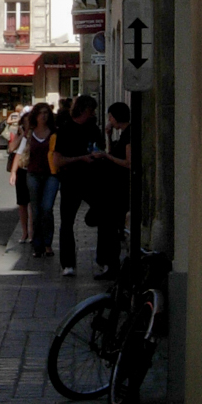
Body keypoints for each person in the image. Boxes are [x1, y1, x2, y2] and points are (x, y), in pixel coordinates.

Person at [50, 94, 106, 276]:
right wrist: (81, 158)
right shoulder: (66, 130)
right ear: (83, 110)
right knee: (67, 222)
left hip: (93, 179)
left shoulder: (94, 129)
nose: (93, 114)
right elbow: (58, 160)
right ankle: (68, 264)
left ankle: (103, 259)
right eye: (91, 110)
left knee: (103, 215)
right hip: (71, 180)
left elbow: (102, 149)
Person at [93, 101, 132, 278]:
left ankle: (111, 264)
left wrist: (106, 156)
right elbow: (114, 153)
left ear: (116, 117)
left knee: (111, 227)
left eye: (110, 117)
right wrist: (108, 137)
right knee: (108, 226)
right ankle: (108, 262)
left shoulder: (129, 135)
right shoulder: (123, 134)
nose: (109, 120)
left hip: (121, 187)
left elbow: (128, 163)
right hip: (114, 186)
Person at [18, 102, 58, 256]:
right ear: (35, 116)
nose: (44, 116)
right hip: (33, 174)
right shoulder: (30, 133)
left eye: (46, 113)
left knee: (47, 208)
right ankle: (38, 245)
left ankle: (48, 243)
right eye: (41, 113)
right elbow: (17, 150)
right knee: (35, 210)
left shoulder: (54, 133)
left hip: (51, 175)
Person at [7, 108, 32, 242]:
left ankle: (32, 231)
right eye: (25, 123)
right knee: (22, 203)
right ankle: (25, 232)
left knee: (32, 204)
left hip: (34, 170)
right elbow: (13, 150)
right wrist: (13, 172)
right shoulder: (22, 136)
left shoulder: (37, 134)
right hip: (23, 170)